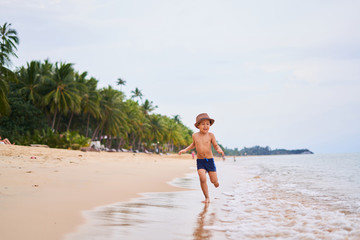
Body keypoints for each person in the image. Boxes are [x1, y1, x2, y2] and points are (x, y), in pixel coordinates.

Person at [179, 113, 224, 203]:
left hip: (209, 160)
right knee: (202, 178)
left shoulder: (211, 135)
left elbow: (215, 145)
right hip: (200, 161)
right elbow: (193, 145)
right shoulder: (195, 136)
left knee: (213, 181)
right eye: (203, 124)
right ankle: (207, 197)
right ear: (198, 126)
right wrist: (185, 150)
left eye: (207, 124)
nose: (205, 126)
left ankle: (216, 182)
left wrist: (219, 149)